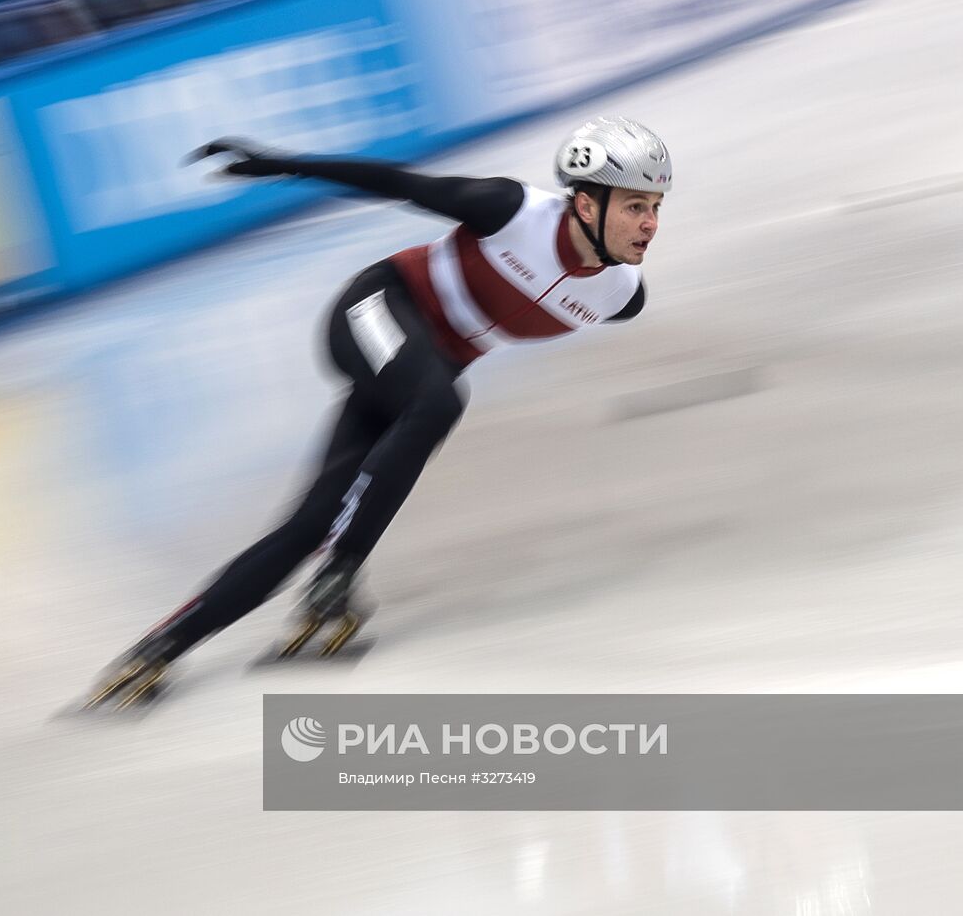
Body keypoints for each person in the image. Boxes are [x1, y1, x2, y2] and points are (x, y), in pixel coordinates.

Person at [86, 116, 672, 709]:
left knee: (312, 522)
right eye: (634, 206)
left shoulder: (622, 296)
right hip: (374, 306)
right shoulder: (511, 210)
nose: (649, 224)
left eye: (655, 206)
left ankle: (159, 648)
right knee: (440, 401)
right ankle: (339, 572)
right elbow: (398, 182)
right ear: (586, 204)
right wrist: (284, 163)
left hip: (416, 372)